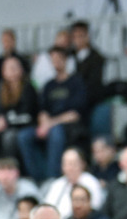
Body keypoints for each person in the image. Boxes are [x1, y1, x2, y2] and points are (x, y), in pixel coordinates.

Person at [18, 45, 88, 182]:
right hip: (49, 124)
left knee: (56, 132)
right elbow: (42, 110)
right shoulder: (49, 85)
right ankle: (36, 178)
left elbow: (74, 114)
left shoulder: (76, 82)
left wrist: (50, 124)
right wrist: (44, 124)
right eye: (53, 59)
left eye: (59, 59)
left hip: (69, 126)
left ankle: (52, 177)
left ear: (66, 60)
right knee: (23, 136)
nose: (56, 63)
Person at [40, 147, 104, 219]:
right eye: (66, 164)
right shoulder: (57, 184)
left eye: (73, 164)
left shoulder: (91, 182)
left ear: (82, 164)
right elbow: (47, 207)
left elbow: (94, 208)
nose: (70, 168)